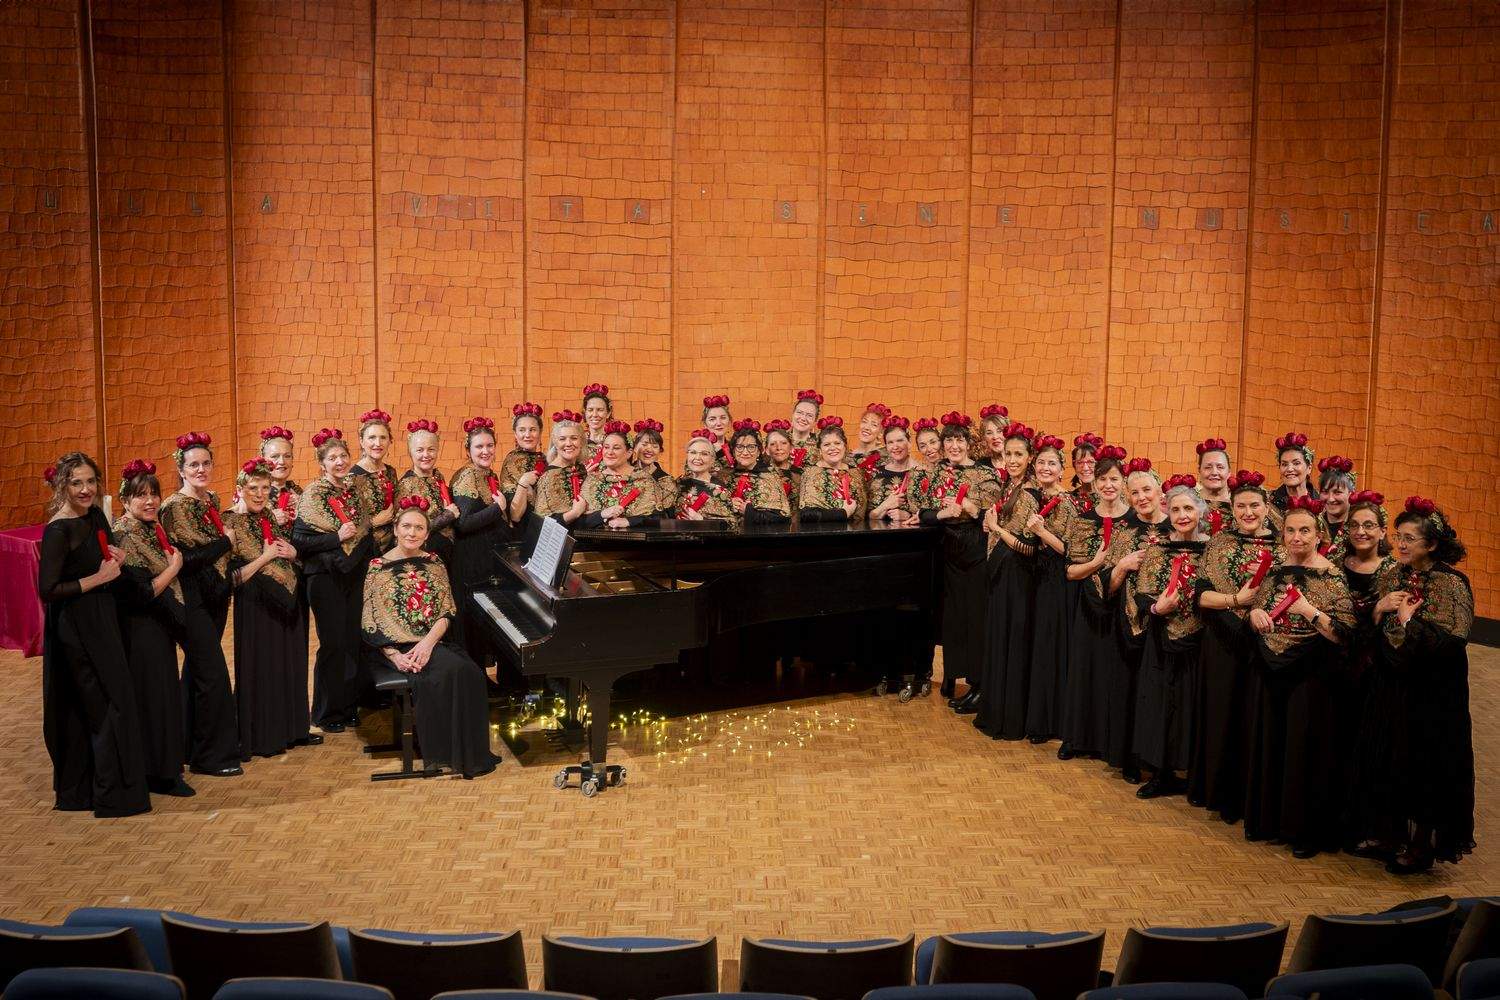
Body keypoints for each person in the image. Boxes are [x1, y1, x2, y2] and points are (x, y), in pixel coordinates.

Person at [1351, 496, 1474, 873]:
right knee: (1389, 757)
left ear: (1432, 544)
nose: (1400, 545)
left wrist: (1408, 621)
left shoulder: (1451, 584)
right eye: (1398, 537)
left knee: (1425, 763)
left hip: (1430, 693)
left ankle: (1421, 846)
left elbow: (1452, 640)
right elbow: (1367, 618)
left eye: (1409, 539)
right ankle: (1390, 835)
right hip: (1390, 684)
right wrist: (1379, 608)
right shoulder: (1392, 572)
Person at [38, 453, 152, 817]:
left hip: (104, 619)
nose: (86, 489)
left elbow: (101, 558)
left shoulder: (96, 516)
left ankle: (114, 788)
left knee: (116, 700)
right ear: (62, 486)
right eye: (76, 483)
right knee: (103, 704)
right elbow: (49, 590)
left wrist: (114, 560)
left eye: (90, 482)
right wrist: (97, 579)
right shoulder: (58, 529)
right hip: (76, 627)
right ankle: (108, 794)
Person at [1242, 496, 1355, 858]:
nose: (1296, 537)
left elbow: (1344, 633)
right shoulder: (1275, 570)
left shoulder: (1332, 577)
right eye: (1290, 530)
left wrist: (1309, 611)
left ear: (1318, 534)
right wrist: (1254, 615)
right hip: (1270, 670)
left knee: (1302, 751)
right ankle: (1270, 821)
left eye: (1304, 530)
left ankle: (1303, 830)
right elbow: (1258, 606)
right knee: (1272, 745)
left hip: (1309, 676)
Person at [362, 497, 499, 779]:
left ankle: (466, 750)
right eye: (407, 527)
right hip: (393, 646)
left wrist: (427, 644)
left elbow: (447, 610)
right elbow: (371, 619)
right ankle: (445, 750)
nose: (412, 533)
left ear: (427, 533)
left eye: (419, 528)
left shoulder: (434, 562)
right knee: (455, 671)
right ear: (397, 529)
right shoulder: (377, 566)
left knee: (471, 672)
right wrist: (395, 656)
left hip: (430, 642)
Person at [1187, 469, 1277, 821]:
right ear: (1232, 508)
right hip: (1223, 641)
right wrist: (1237, 601)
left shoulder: (1283, 546)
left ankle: (1253, 798)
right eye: (1241, 506)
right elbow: (1200, 596)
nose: (1248, 512)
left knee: (1255, 720)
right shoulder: (1219, 543)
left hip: (1266, 643)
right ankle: (1222, 794)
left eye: (1255, 505)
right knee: (1223, 715)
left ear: (1267, 507)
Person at [158, 431, 242, 777]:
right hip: (189, 599)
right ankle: (213, 757)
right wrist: (225, 542)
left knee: (196, 672)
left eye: (206, 463)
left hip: (215, 597)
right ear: (181, 468)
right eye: (193, 464)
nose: (200, 469)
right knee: (214, 676)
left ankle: (187, 746)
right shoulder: (173, 508)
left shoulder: (211, 499)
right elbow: (186, 560)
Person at [113, 459, 194, 796]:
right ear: (125, 501)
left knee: (162, 698)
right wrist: (175, 567)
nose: (149, 501)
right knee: (153, 699)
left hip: (156, 628)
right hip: (140, 629)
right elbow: (141, 593)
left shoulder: (150, 527)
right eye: (140, 496)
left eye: (153, 494)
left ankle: (163, 768)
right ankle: (159, 774)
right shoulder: (124, 534)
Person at [909, 412, 1000, 705]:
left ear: (968, 443)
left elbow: (995, 516)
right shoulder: (936, 473)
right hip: (947, 551)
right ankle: (957, 677)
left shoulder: (985, 474)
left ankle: (980, 683)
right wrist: (941, 514)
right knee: (954, 620)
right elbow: (923, 512)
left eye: (959, 440)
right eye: (949, 441)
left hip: (975, 550)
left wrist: (973, 509)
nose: (953, 446)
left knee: (975, 618)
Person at [1131, 475, 1210, 799]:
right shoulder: (1158, 549)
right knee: (1161, 704)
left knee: (1194, 705)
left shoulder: (1211, 549)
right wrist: (1156, 607)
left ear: (1200, 510)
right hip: (1162, 638)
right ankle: (1161, 774)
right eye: (1175, 509)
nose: (1182, 515)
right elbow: (1142, 592)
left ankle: (1193, 773)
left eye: (1188, 508)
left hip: (1201, 639)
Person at [224, 458, 309, 758]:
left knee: (285, 666)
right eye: (253, 488)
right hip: (254, 604)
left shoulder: (269, 518)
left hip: (284, 600)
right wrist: (266, 557)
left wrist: (291, 553)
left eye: (265, 488)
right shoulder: (229, 521)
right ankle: (262, 737)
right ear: (240, 490)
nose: (260, 494)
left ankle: (290, 730)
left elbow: (283, 552)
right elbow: (233, 577)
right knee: (262, 669)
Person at [294, 428, 375, 733]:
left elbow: (365, 530)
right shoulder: (313, 494)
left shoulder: (353, 492)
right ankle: (326, 713)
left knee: (352, 641)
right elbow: (300, 540)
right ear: (322, 464)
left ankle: (347, 706)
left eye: (343, 456)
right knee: (333, 644)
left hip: (353, 575)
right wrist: (334, 537)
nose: (339, 461)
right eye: (332, 458)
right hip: (324, 579)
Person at [1058, 445, 1129, 761]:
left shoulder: (1135, 521)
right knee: (1085, 670)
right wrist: (1098, 562)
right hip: (1088, 606)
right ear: (1095, 484)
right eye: (1103, 480)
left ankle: (1116, 745)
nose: (1108, 485)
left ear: (1122, 481)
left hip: (1123, 609)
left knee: (1117, 674)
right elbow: (1071, 571)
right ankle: (1077, 738)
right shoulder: (1083, 520)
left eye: (1114, 479)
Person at [1103, 457, 1170, 782]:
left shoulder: (1177, 528)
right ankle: (1128, 757)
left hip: (1167, 628)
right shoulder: (1124, 533)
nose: (1142, 497)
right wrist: (1121, 567)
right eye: (1135, 492)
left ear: (1159, 492)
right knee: (1128, 690)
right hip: (1128, 625)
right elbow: (1109, 585)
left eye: (1147, 489)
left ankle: (1159, 764)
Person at [973, 422, 1041, 735]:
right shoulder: (1009, 488)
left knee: (1011, 643)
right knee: (999, 641)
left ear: (1030, 458)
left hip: (1017, 577)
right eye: (1009, 453)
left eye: (1018, 454)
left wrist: (996, 527)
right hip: (1003, 572)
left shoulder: (1028, 493)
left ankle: (1008, 719)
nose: (1012, 459)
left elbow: (1028, 546)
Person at [449, 416, 512, 664]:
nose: (485, 451)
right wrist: (498, 509)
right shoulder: (468, 477)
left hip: (483, 559)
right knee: (473, 624)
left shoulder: (486, 473)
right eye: (479, 447)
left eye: (489, 445)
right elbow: (463, 523)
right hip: (470, 563)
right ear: (468, 450)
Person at [580, 420, 666, 528]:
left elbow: (658, 519)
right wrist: (601, 514)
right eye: (606, 447)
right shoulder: (592, 480)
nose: (609, 452)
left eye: (616, 448)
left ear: (629, 453)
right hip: (593, 543)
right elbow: (579, 522)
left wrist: (629, 521)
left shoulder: (644, 480)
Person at [396, 419, 459, 560]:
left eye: (431, 449)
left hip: (447, 551)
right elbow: (406, 530)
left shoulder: (438, 476)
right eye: (420, 450)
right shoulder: (406, 484)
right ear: (410, 452)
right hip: (423, 554)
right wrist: (447, 516)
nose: (426, 455)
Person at [797, 417, 868, 522]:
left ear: (845, 446)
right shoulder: (811, 472)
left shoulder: (856, 472)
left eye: (837, 443)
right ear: (820, 450)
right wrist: (844, 513)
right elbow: (807, 515)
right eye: (826, 444)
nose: (832, 448)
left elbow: (863, 510)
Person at [351, 409, 399, 552]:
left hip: (393, 545)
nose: (378, 443)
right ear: (362, 441)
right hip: (365, 548)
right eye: (372, 437)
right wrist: (374, 522)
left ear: (389, 441)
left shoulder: (390, 472)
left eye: (383, 437)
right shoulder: (352, 476)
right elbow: (346, 523)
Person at [531, 410, 590, 525]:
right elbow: (543, 521)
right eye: (562, 439)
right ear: (555, 443)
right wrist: (575, 513)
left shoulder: (580, 468)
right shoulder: (549, 476)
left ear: (581, 441)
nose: (568, 443)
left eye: (574, 438)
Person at [676, 430, 738, 522]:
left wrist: (702, 520)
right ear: (687, 456)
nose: (697, 458)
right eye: (693, 452)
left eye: (704, 454)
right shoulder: (678, 483)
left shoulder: (720, 491)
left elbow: (732, 525)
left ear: (712, 460)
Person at [632, 417, 679, 514]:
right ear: (635, 446)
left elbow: (665, 514)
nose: (649, 449)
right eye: (644, 444)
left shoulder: (667, 481)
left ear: (660, 451)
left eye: (655, 446)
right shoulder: (624, 473)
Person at [1269, 430, 1318, 516]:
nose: (1289, 469)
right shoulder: (1268, 502)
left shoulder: (1321, 502)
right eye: (1284, 464)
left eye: (1296, 463)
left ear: (1309, 468)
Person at [259, 424, 301, 524]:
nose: (282, 461)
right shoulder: (253, 491)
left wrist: (303, 506)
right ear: (263, 460)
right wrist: (271, 520)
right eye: (275, 456)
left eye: (287, 456)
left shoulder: (297, 491)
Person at [1317, 456, 1356, 554]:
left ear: (1351, 494)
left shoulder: (1358, 528)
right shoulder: (1313, 525)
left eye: (1337, 492)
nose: (1330, 499)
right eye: (1325, 492)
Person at [1195, 437, 1232, 533]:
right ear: (1199, 470)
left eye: (1220, 467)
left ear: (1229, 472)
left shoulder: (1240, 504)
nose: (1214, 472)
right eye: (1208, 467)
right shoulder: (1189, 503)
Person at [581, 382, 613, 465]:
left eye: (600, 410)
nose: (595, 415)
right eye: (590, 410)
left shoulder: (615, 440)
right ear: (585, 413)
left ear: (608, 413)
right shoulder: (578, 440)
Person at [1070, 432, 1101, 511]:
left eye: (1091, 462)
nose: (1085, 468)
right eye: (1080, 462)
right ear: (1074, 466)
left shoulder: (1109, 494)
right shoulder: (1070, 499)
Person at [789, 388, 822, 456]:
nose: (803, 418)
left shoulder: (821, 445)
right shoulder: (779, 439)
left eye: (809, 415)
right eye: (799, 412)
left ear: (815, 421)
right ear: (792, 415)